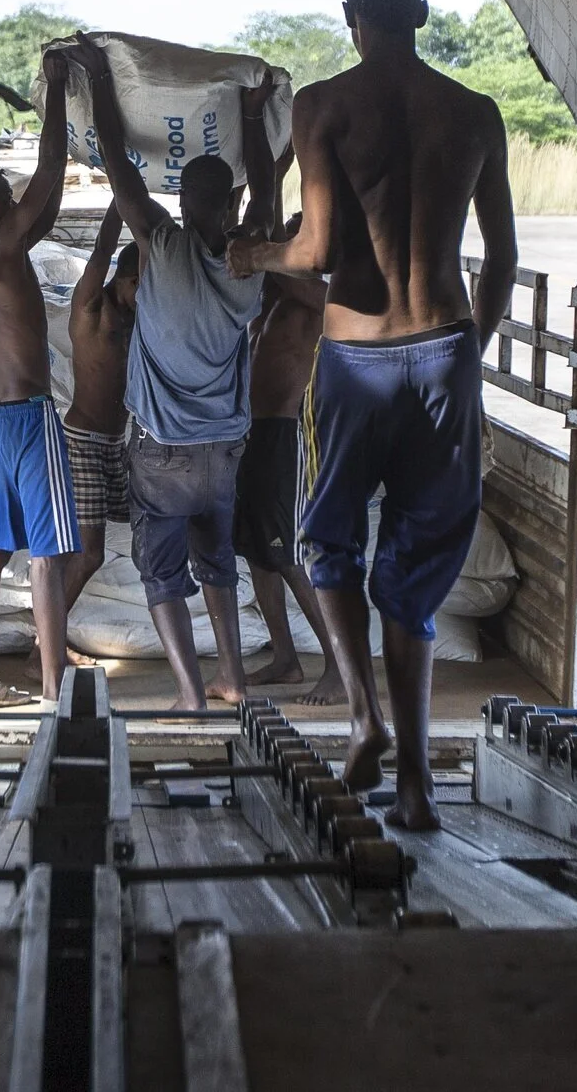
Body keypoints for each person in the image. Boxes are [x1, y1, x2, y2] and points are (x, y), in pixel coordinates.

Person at [228, 0, 517, 830]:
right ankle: (420, 787)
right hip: (445, 353)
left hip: (356, 362)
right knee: (416, 573)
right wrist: (470, 345)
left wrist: (254, 254)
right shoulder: (475, 112)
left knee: (328, 543)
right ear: (422, 15)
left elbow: (314, 254)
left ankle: (363, 719)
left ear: (352, 14)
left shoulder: (323, 106)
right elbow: (499, 256)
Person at [68, 41, 277, 710]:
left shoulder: (158, 245)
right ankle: (233, 680)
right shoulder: (252, 261)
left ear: (185, 201)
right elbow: (268, 183)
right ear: (231, 207)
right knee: (216, 563)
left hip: (161, 451)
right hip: (224, 453)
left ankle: (191, 691)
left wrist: (100, 78)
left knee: (162, 572)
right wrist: (251, 111)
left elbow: (117, 170)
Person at [0, 52, 80, 707]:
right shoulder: (1, 249)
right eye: (6, 202)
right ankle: (57, 688)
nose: (17, 207)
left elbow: (46, 205)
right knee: (48, 557)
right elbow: (51, 175)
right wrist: (57, 89)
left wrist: (27, 203)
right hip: (28, 420)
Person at [236, 219, 343, 701]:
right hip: (255, 431)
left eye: (298, 240)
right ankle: (285, 659)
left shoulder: (322, 297)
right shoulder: (275, 297)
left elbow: (278, 265)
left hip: (286, 433)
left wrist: (258, 248)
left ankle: (341, 668)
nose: (287, 246)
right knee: (259, 552)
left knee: (289, 555)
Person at [60, 204, 138, 624]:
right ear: (128, 280)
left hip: (117, 445)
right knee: (90, 554)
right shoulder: (92, 305)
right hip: (84, 442)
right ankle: (43, 649)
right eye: (143, 285)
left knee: (153, 531)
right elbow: (102, 250)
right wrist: (120, 196)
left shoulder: (135, 312)